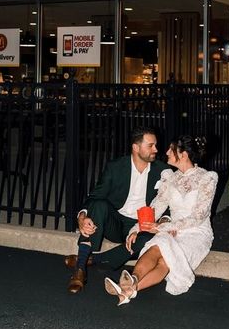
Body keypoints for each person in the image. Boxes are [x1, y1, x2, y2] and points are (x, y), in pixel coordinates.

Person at [104, 135, 217, 305]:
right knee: (157, 246)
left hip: (196, 233)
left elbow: (198, 216)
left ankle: (129, 290)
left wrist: (162, 228)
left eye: (171, 150)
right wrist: (137, 228)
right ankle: (132, 282)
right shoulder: (170, 178)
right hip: (171, 230)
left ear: (183, 155)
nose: (166, 152)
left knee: (166, 260)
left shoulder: (207, 178)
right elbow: (156, 206)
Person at [66, 126, 168, 294]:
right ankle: (80, 269)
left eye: (155, 145)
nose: (156, 149)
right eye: (150, 145)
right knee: (99, 205)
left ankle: (84, 262)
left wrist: (163, 221)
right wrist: (82, 216)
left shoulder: (162, 171)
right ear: (136, 147)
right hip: (116, 222)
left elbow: (168, 203)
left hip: (141, 226)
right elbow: (96, 195)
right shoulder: (116, 167)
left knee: (150, 240)